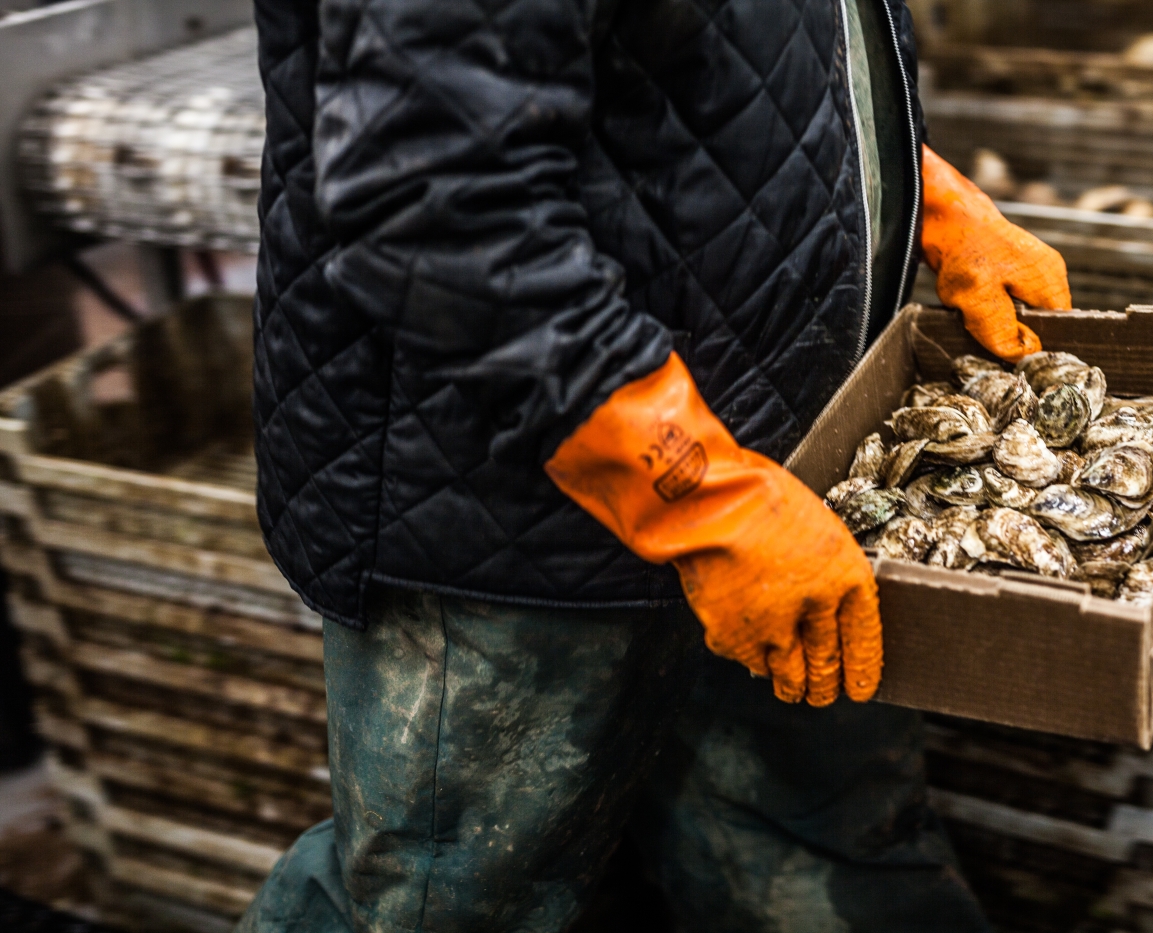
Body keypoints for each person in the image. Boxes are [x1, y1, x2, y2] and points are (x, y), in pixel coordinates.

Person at [237, 0, 1070, 928]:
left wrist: (911, 183)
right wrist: (704, 497)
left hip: (789, 486)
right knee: (445, 904)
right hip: (516, 532)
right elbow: (434, 195)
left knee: (823, 850)